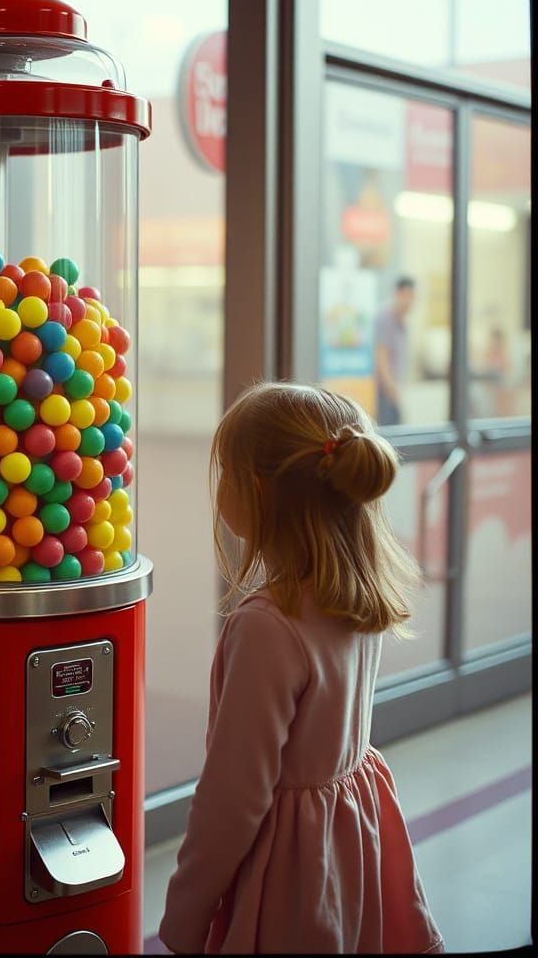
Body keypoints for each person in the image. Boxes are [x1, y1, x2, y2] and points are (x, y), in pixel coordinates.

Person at [158, 381, 444, 955]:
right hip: (349, 838)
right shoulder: (356, 596)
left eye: (226, 476)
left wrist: (184, 916)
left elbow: (232, 799)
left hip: (289, 868)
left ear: (258, 490)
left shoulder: (267, 625)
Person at [374, 275, 415, 426]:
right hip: (385, 392)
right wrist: (393, 392)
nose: (411, 301)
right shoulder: (386, 318)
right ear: (399, 294)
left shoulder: (402, 322)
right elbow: (382, 360)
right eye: (408, 295)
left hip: (395, 390)